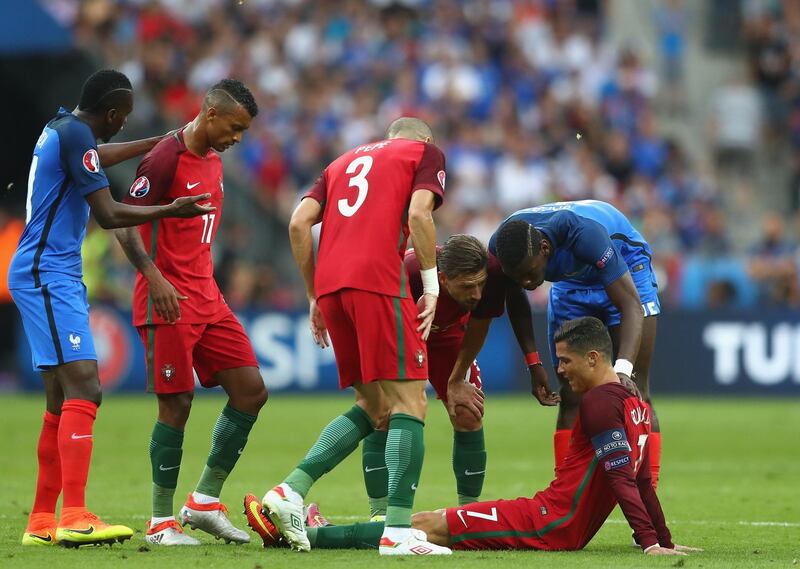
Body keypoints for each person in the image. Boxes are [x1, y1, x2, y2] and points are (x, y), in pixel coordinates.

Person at [248, 317, 701, 557]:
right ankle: (317, 532)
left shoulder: (600, 404)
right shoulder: (635, 403)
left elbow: (624, 480)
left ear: (594, 357)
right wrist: (661, 535)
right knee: (433, 524)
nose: (559, 370)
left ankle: (308, 538)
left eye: (564, 361)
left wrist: (649, 543)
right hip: (551, 519)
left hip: (547, 521)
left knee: (422, 526)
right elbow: (641, 480)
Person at [8, 69, 213, 548]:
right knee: (86, 386)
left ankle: (41, 521)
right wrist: (171, 209)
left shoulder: (63, 128)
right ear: (114, 112)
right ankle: (75, 515)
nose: (123, 125)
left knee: (61, 401)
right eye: (125, 119)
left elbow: (96, 159)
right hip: (48, 273)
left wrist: (158, 141)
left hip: (45, 270)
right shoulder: (77, 133)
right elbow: (108, 214)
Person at [260, 117, 448, 555]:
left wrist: (313, 294)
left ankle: (290, 491)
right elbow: (420, 212)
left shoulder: (339, 163)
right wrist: (432, 285)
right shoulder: (424, 152)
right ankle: (398, 532)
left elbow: (297, 224)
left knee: (376, 404)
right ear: (421, 139)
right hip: (378, 281)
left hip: (331, 286)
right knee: (411, 401)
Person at [113, 79, 266, 546]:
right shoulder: (164, 157)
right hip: (167, 297)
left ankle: (202, 502)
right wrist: (154, 277)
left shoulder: (215, 161)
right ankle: (161, 523)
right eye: (235, 127)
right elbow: (122, 221)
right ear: (211, 114)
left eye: (244, 131)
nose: (237, 138)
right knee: (176, 403)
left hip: (208, 295)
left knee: (250, 391)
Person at [360, 234, 559, 521]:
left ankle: (467, 513)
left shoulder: (490, 273)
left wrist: (455, 381)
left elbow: (479, 326)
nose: (477, 294)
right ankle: (379, 515)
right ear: (441, 278)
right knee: (384, 414)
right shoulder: (408, 272)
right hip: (400, 335)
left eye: (480, 284)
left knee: (468, 411)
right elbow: (376, 319)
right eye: (468, 287)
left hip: (449, 338)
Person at [488, 200, 663, 486]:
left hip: (625, 265)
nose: (528, 283)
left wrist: (622, 368)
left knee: (636, 392)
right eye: (518, 277)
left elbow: (630, 304)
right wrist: (534, 363)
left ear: (544, 249)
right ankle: (564, 496)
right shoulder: (503, 246)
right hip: (572, 282)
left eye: (530, 273)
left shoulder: (582, 234)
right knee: (571, 394)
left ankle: (646, 501)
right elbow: (515, 298)